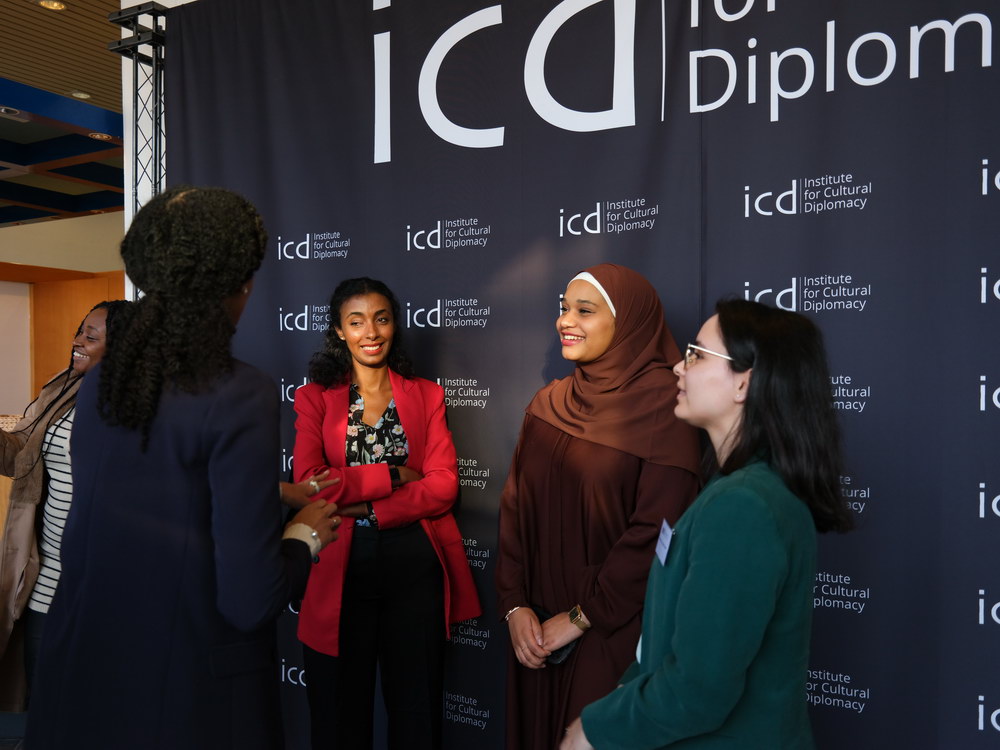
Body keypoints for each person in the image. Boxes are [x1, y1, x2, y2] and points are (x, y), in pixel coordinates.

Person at [24, 185, 341, 750]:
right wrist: (303, 538)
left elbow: (160, 497)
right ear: (240, 283)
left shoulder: (101, 382)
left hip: (80, 683)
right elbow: (249, 599)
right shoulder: (238, 392)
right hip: (183, 702)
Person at [562, 299, 854, 750]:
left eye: (697, 355)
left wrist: (594, 730)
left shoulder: (744, 505)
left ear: (744, 383)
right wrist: (625, 695)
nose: (679, 367)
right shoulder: (739, 490)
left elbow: (697, 690)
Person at [496, 263, 702, 750]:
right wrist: (514, 605)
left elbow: (656, 534)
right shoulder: (547, 403)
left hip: (611, 634)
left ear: (627, 322)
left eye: (584, 311)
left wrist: (580, 617)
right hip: (535, 634)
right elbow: (515, 510)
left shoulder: (668, 410)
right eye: (563, 308)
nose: (565, 320)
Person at [289, 276, 481, 750]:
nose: (370, 332)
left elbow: (443, 485)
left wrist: (369, 509)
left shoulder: (427, 395)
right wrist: (393, 474)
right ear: (339, 331)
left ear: (394, 325)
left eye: (381, 319)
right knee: (339, 718)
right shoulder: (315, 398)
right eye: (356, 322)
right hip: (338, 562)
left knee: (417, 715)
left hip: (413, 564)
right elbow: (311, 483)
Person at [0, 300, 129, 711]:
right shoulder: (63, 386)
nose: (77, 341)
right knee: (42, 700)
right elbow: (20, 453)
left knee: (95, 706)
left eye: (90, 336)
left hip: (103, 586)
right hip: (47, 580)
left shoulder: (140, 406)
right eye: (79, 331)